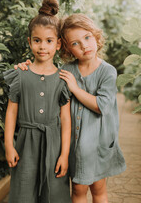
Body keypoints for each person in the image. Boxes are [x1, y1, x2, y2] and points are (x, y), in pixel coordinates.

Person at [15, 13, 126, 203]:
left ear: (95, 35)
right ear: (66, 48)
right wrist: (25, 67)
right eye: (75, 43)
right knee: (78, 191)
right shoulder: (67, 70)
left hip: (97, 145)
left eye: (87, 37)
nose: (84, 46)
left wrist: (74, 88)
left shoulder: (107, 71)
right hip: (73, 147)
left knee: (98, 190)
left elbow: (102, 106)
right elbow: (44, 75)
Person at [4, 0, 72, 203]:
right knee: (23, 191)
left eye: (49, 41)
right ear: (30, 41)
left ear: (58, 43)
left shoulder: (63, 79)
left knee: (54, 193)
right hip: (26, 144)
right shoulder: (20, 75)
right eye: (37, 40)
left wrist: (64, 154)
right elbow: (11, 112)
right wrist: (9, 144)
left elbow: (66, 120)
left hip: (54, 145)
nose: (43, 46)